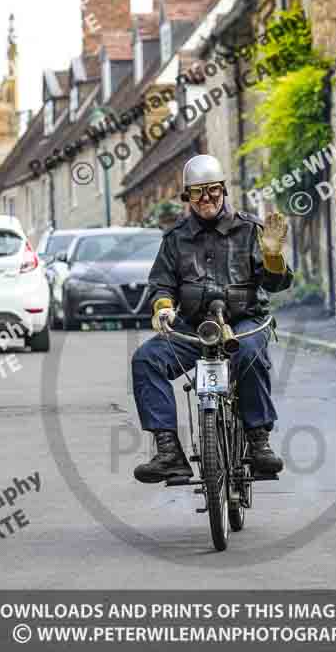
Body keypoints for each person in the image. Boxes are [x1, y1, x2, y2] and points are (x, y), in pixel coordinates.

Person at [131, 154, 293, 484]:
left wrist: (273, 257)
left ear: (223, 191)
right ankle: (168, 453)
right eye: (197, 192)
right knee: (146, 360)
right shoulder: (175, 238)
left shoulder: (249, 230)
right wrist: (163, 307)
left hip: (244, 321)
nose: (206, 199)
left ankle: (258, 442)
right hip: (193, 328)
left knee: (249, 354)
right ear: (187, 197)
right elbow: (161, 282)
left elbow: (277, 284)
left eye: (213, 191)